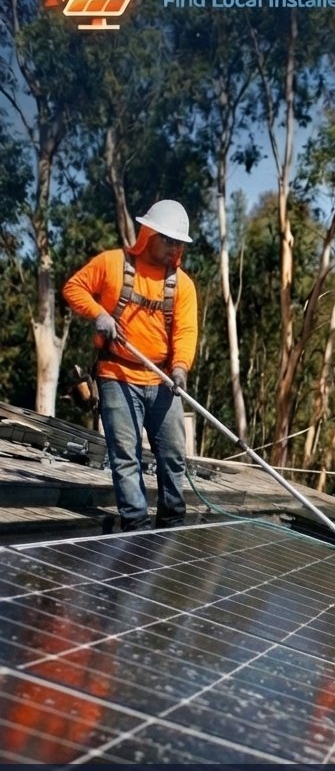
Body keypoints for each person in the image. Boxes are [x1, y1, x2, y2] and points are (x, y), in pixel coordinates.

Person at [63, 200, 198, 531]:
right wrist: (99, 314)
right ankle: (137, 528)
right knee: (126, 455)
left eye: (179, 242)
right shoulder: (111, 264)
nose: (174, 247)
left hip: (163, 380)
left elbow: (185, 331)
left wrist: (180, 368)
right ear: (148, 234)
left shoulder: (182, 285)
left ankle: (171, 524)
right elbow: (73, 288)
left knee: (172, 457)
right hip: (117, 375)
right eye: (168, 239)